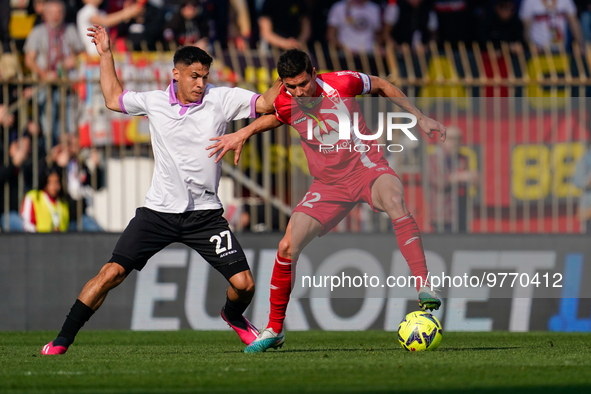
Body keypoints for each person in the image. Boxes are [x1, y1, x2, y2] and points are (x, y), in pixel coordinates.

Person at [40, 24, 280, 355]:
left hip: (205, 216)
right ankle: (61, 340)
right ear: (175, 75)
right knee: (111, 273)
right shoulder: (154, 102)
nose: (201, 83)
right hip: (158, 214)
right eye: (194, 76)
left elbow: (267, 103)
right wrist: (107, 53)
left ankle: (233, 316)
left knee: (245, 286)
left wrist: (285, 76)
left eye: (205, 76)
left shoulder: (221, 99)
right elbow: (112, 99)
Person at [207, 49, 446, 353]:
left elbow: (383, 85)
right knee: (286, 246)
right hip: (328, 186)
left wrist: (420, 117)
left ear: (315, 73)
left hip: (365, 168)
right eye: (290, 86)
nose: (298, 92)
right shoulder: (285, 98)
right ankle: (275, 329)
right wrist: (244, 133)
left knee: (395, 201)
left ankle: (424, 286)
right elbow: (275, 117)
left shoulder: (342, 83)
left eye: (303, 83)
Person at [24, 0, 85, 145]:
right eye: (51, 13)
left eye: (58, 13)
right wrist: (44, 75)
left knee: (69, 126)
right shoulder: (38, 32)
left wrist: (73, 60)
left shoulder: (70, 30)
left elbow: (81, 53)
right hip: (46, 87)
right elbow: (29, 60)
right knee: (49, 126)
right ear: (45, 14)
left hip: (67, 86)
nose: (55, 16)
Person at [428, 126, 478, 233]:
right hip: (443, 214)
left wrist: (474, 179)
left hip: (460, 212)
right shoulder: (435, 158)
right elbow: (439, 182)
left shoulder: (462, 158)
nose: (455, 142)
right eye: (451, 138)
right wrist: (460, 177)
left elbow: (471, 183)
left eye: (458, 138)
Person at [77, 0, 144, 55]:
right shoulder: (85, 11)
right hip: (93, 54)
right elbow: (104, 21)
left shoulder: (101, 12)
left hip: (104, 53)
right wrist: (126, 13)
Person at [21, 166, 70, 232]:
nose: (54, 186)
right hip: (38, 240)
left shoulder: (63, 203)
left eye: (57, 182)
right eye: (51, 182)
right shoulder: (33, 197)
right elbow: (27, 223)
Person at [519, 0, 583, 50]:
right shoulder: (529, 1)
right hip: (539, 49)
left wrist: (580, 44)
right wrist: (531, 46)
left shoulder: (566, 1)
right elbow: (526, 29)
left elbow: (574, 23)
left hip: (561, 48)